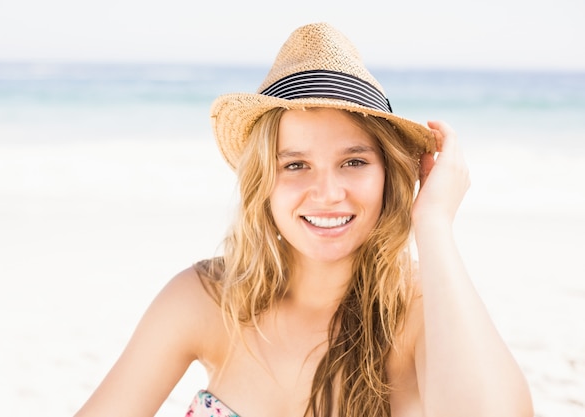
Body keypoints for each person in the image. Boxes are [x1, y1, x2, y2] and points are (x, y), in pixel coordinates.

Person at [74, 23, 533, 417]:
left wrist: (433, 225)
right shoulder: (209, 299)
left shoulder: (420, 312)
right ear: (263, 184)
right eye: (295, 165)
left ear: (389, 176)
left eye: (353, 162)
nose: (329, 193)